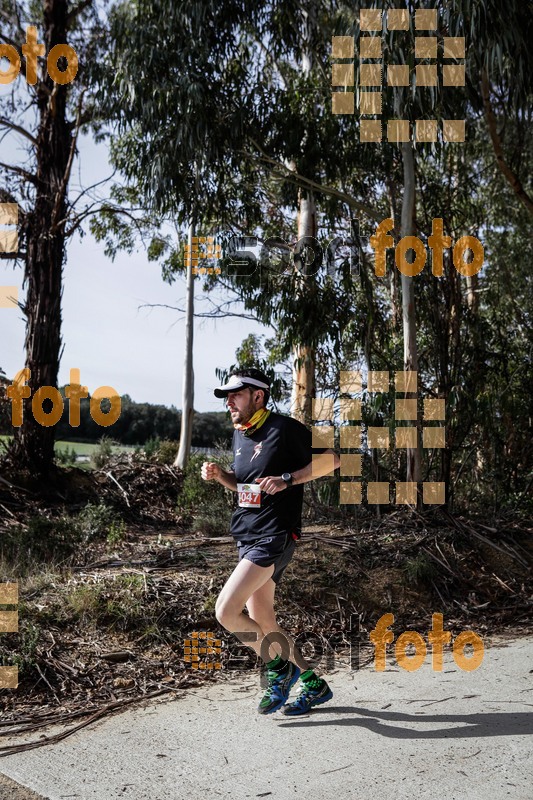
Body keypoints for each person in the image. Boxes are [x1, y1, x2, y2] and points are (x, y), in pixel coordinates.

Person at [202, 367, 340, 715]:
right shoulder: (240, 436)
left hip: (274, 534)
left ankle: (280, 669)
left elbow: (334, 460)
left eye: (235, 394)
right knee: (262, 617)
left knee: (226, 611)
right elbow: (248, 487)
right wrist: (223, 477)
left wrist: (288, 479)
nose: (229, 401)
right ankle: (313, 683)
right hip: (247, 535)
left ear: (258, 396)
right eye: (226, 396)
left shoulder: (284, 429)